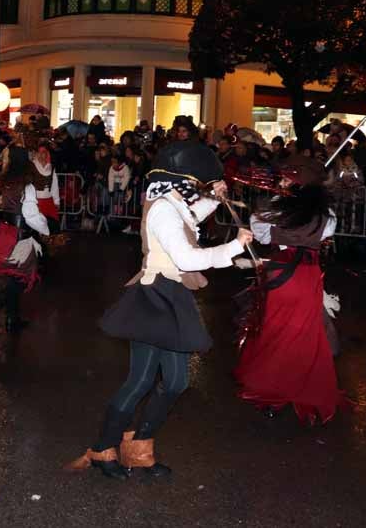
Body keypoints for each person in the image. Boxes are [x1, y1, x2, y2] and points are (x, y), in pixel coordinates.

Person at [66, 140, 251, 480]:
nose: (200, 189)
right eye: (198, 183)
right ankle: (103, 449)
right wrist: (232, 247)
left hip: (172, 295)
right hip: (155, 295)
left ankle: (138, 449)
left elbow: (191, 215)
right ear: (183, 179)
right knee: (140, 381)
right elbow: (185, 257)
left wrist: (213, 197)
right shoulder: (164, 208)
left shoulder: (175, 203)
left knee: (177, 382)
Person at [235, 156, 346, 424]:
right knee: (304, 334)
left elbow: (259, 232)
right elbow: (324, 234)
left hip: (281, 276)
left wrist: (275, 206)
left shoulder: (276, 210)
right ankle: (299, 389)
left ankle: (273, 391)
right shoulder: (325, 214)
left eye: (287, 178)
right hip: (307, 277)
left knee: (276, 331)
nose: (281, 182)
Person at [0, 137, 50, 333]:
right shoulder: (26, 185)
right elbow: (31, 215)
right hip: (21, 235)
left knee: (15, 275)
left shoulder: (8, 182)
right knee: (21, 276)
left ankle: (12, 318)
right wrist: (47, 230)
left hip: (7, 232)